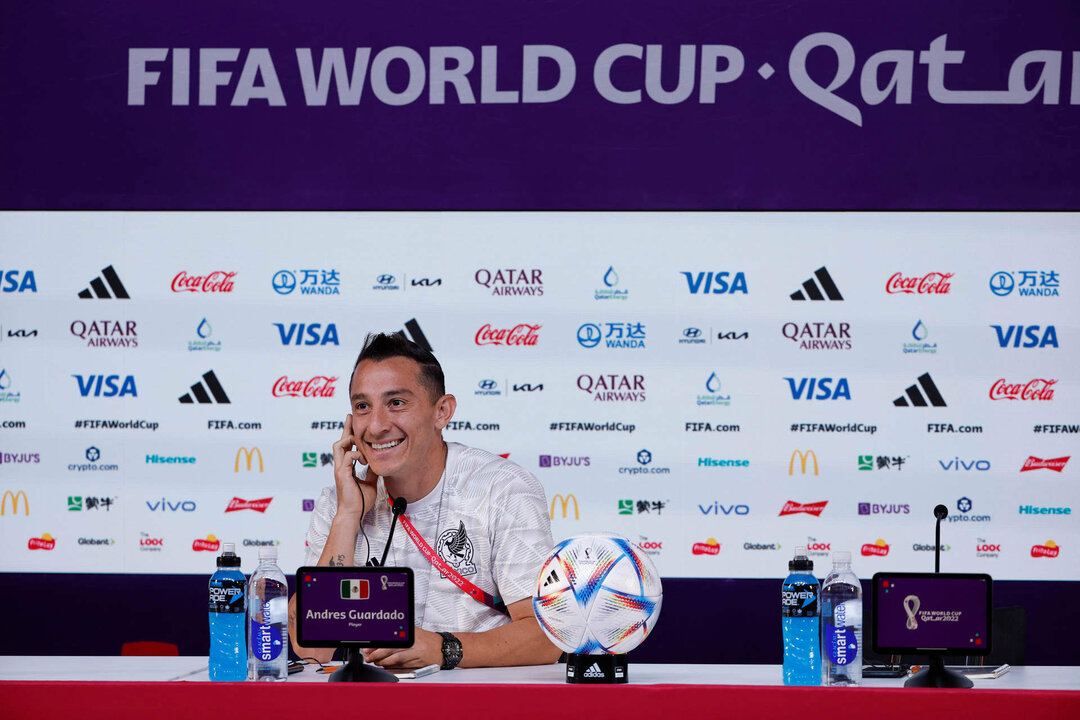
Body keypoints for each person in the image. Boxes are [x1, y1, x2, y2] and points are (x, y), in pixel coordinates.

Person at [288, 332, 560, 669]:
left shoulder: (502, 488)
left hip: (477, 703)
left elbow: (546, 637)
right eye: (362, 407)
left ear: (442, 412)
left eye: (396, 403)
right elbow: (312, 649)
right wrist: (348, 515)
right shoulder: (340, 500)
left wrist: (444, 650)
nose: (375, 426)